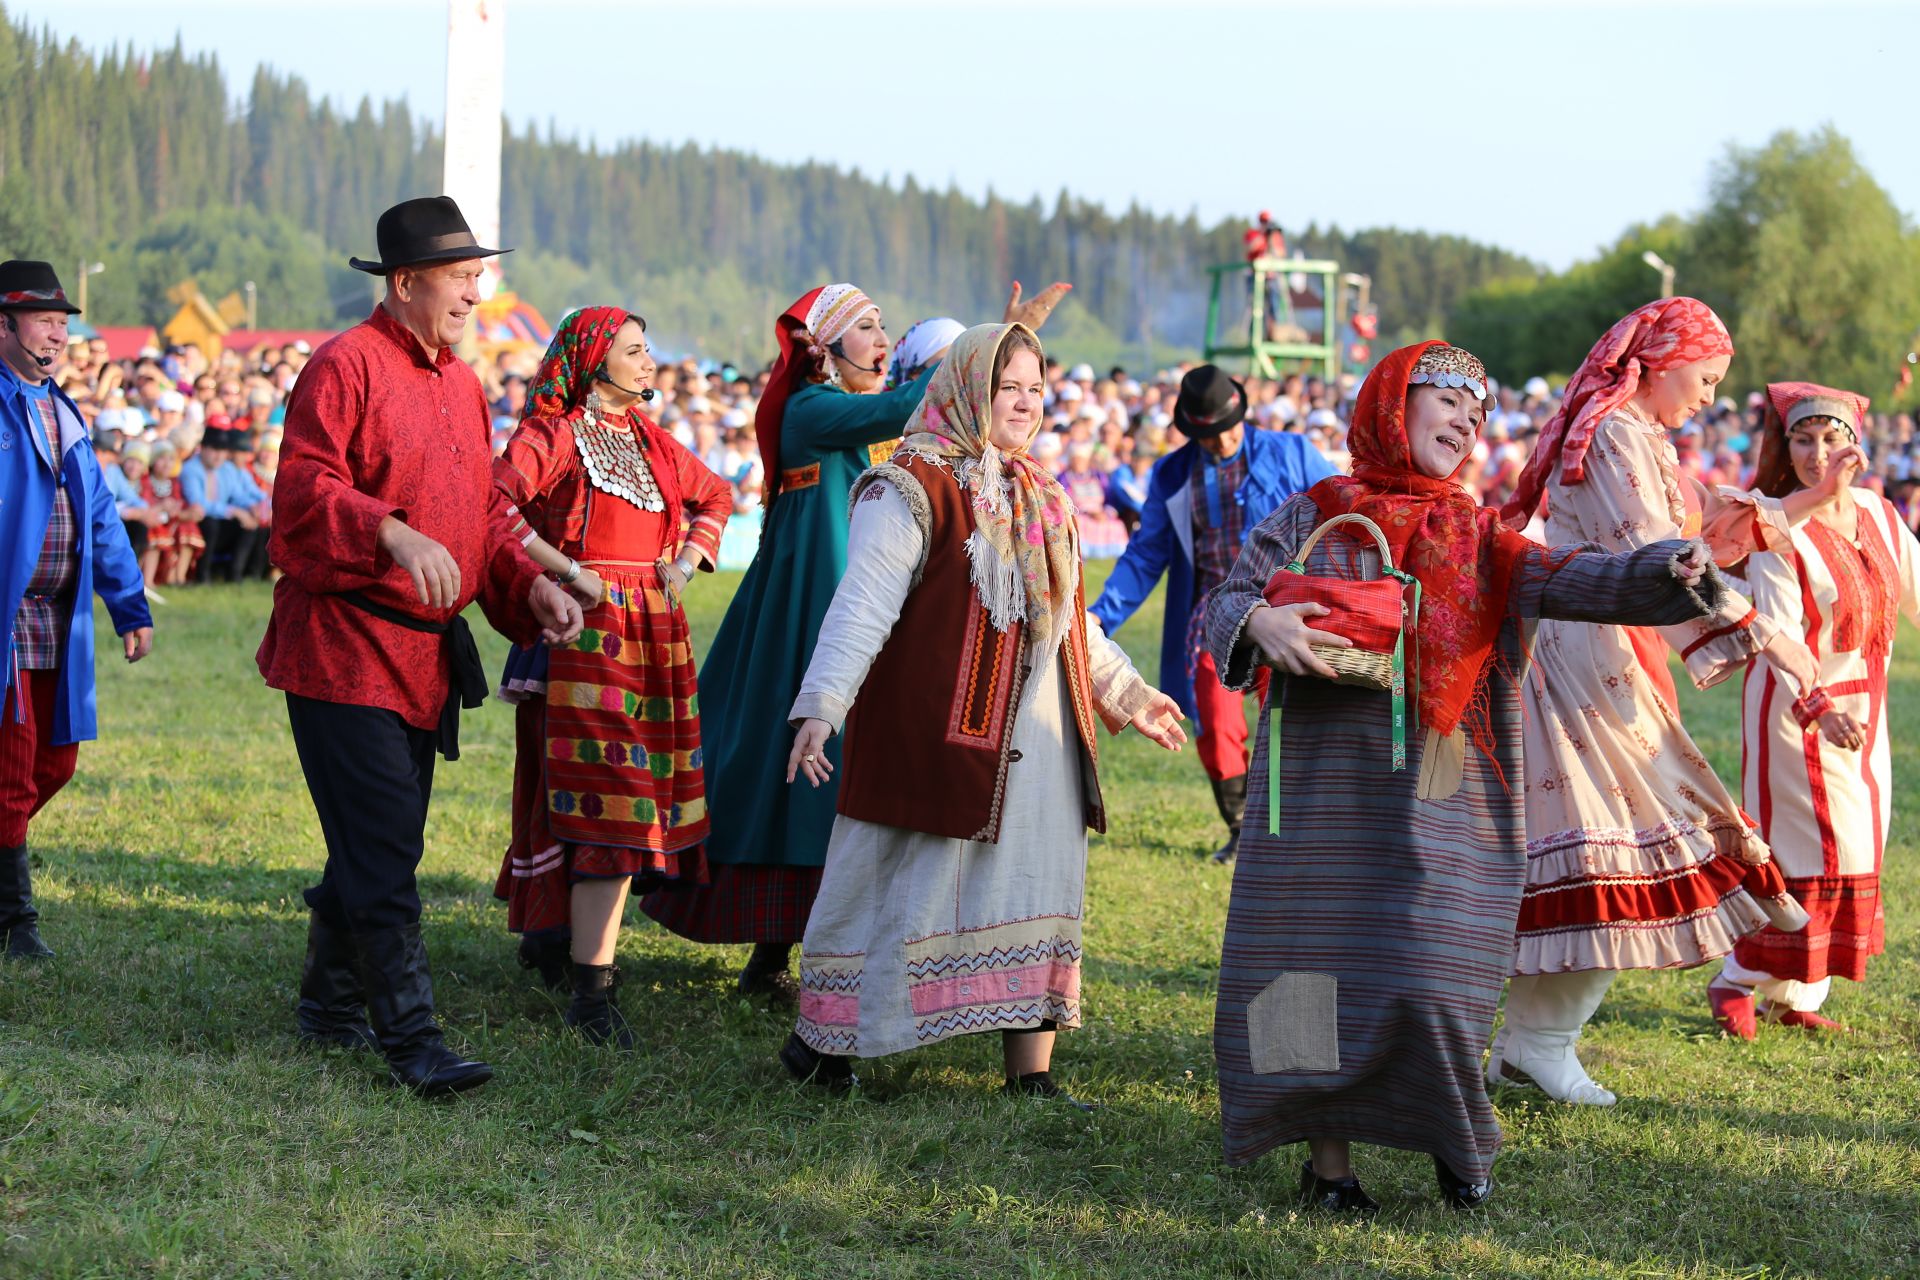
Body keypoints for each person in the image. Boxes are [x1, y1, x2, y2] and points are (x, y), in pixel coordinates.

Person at [1205, 342, 1724, 1212]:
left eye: (1477, 415)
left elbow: (1579, 580)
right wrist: (1259, 621)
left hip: (1445, 794)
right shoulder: (1313, 513)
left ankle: (1453, 1136)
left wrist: (1666, 571)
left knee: (1433, 974)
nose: (1465, 424)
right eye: (1446, 401)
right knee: (1305, 971)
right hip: (1317, 789)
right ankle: (1327, 1168)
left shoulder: (1482, 537)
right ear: (1391, 405)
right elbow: (1229, 597)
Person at [779, 323, 1185, 1102]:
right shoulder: (910, 483)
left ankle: (1029, 1077)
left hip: (1037, 731)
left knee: (1036, 885)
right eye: (1010, 387)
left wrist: (1126, 692)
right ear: (968, 387)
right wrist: (822, 706)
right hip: (932, 728)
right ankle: (823, 1044)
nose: (1027, 403)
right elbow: (861, 605)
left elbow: (1069, 612)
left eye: (1037, 388)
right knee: (888, 880)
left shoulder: (1041, 492)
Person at [641, 280, 1068, 998]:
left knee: (818, 775)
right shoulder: (812, 409)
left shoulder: (843, 415)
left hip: (841, 601)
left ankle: (802, 954)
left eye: (881, 326)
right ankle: (782, 955)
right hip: (808, 608)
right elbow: (916, 406)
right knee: (798, 771)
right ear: (826, 349)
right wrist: (994, 343)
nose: (880, 340)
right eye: (865, 328)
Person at [258, 196, 584, 1095]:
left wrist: (532, 590)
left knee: (375, 840)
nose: (477, 292)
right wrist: (391, 534)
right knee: (386, 848)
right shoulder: (342, 367)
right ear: (405, 283)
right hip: (342, 647)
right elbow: (300, 494)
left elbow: (481, 515)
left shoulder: (462, 383)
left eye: (479, 275)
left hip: (421, 657)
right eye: (462, 276)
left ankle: (328, 1008)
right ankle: (411, 1041)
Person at [1491, 299, 1817, 1107]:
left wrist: (1781, 514)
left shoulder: (1631, 436)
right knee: (1613, 849)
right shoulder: (1616, 434)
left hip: (1602, 654)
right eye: (1705, 379)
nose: (1709, 396)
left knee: (1611, 851)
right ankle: (1531, 1043)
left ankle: (1532, 1045)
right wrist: (1765, 630)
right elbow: (1659, 556)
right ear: (1663, 361)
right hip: (1581, 656)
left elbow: (1693, 521)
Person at [489, 306, 731, 1044]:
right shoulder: (552, 435)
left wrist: (685, 564)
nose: (648, 361)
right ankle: (592, 994)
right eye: (632, 350)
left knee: (622, 796)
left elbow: (716, 496)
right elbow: (492, 505)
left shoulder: (655, 442)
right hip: (582, 635)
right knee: (609, 801)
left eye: (648, 348)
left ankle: (557, 936)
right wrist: (567, 572)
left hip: (653, 634)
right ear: (594, 361)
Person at [1709, 382, 1918, 1035]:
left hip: (1867, 708)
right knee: (1810, 855)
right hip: (1794, 708)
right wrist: (1819, 705)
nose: (1816, 453)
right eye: (1803, 438)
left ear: (1855, 445)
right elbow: (1773, 629)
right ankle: (1735, 978)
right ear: (1785, 444)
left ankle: (1796, 998)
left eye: (1831, 438)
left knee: (1856, 852)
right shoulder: (1778, 520)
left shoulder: (1879, 515)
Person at [1089, 365, 1334, 862]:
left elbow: (1342, 518)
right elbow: (1145, 554)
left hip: (1290, 609)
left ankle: (1293, 834)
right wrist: (1100, 617)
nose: (1219, 441)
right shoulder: (1173, 474)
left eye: (1225, 430)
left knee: (1287, 721)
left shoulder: (1292, 454)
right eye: (1207, 434)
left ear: (1241, 415)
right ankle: (1243, 829)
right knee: (1215, 722)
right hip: (1214, 614)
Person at [0, 260, 154, 959]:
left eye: (64, 323)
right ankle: (17, 922)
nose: (58, 333)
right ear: (3, 325)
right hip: (5, 618)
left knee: (56, 764)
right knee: (11, 768)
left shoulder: (64, 409)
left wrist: (129, 605)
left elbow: (99, 513)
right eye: (43, 320)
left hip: (61, 621)